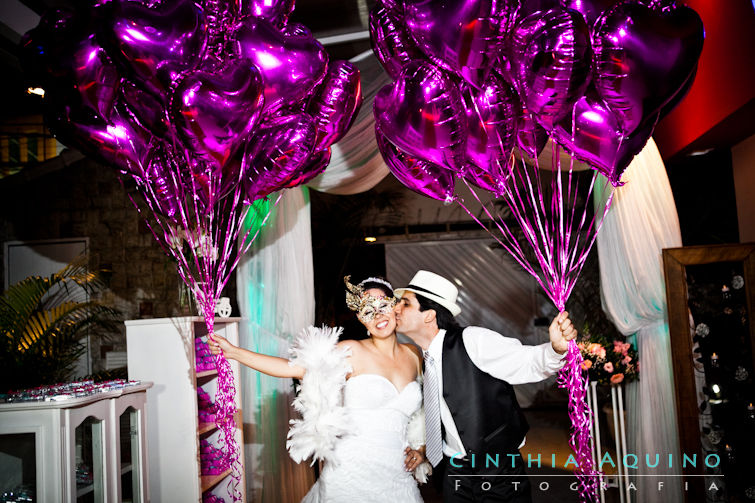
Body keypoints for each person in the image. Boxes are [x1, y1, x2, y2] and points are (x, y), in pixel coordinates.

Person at [209, 276, 429, 502]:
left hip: (398, 474)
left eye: (383, 305)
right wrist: (234, 352)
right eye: (367, 311)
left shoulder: (414, 354)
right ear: (361, 319)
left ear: (394, 307)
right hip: (351, 474)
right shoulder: (351, 351)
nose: (378, 315)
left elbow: (420, 413)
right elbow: (292, 368)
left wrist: (420, 449)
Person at [393, 270, 578, 503]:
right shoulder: (422, 358)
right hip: (454, 472)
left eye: (405, 303)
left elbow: (525, 361)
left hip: (496, 469)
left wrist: (555, 349)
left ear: (429, 314)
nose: (395, 309)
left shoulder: (472, 340)